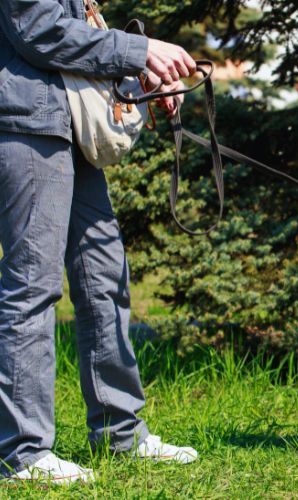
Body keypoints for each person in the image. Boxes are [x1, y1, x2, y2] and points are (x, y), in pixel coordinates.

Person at [0, 0, 199, 485]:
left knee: (103, 277)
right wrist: (140, 50)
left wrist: (141, 79)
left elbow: (76, 35)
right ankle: (23, 454)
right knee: (33, 286)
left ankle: (121, 433)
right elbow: (38, 29)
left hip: (71, 125)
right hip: (28, 121)